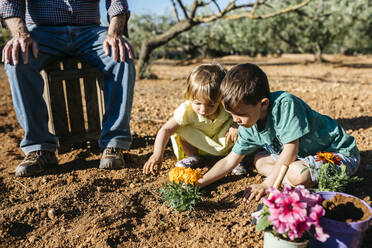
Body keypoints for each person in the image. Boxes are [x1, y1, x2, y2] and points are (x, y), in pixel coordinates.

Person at [0, 0, 136, 177]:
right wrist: (19, 34)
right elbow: (10, 2)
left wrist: (115, 32)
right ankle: (39, 148)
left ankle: (114, 143)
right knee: (17, 59)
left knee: (122, 57)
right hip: (42, 31)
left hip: (90, 32)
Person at [197, 63, 360, 201]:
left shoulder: (285, 105)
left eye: (241, 114)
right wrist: (200, 182)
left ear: (263, 104)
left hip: (336, 154)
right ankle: (289, 178)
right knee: (259, 160)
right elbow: (229, 161)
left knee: (299, 174)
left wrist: (267, 184)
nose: (236, 120)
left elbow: (290, 151)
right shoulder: (247, 124)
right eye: (232, 115)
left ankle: (294, 181)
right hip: (301, 158)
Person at [143, 63, 246, 175]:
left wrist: (236, 126)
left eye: (211, 105)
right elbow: (165, 130)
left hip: (224, 143)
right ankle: (193, 156)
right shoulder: (187, 111)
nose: (203, 110)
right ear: (189, 96)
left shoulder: (227, 106)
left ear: (221, 98)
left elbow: (243, 117)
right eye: (197, 103)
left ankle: (235, 160)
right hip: (200, 145)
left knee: (238, 130)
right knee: (181, 129)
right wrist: (157, 154)